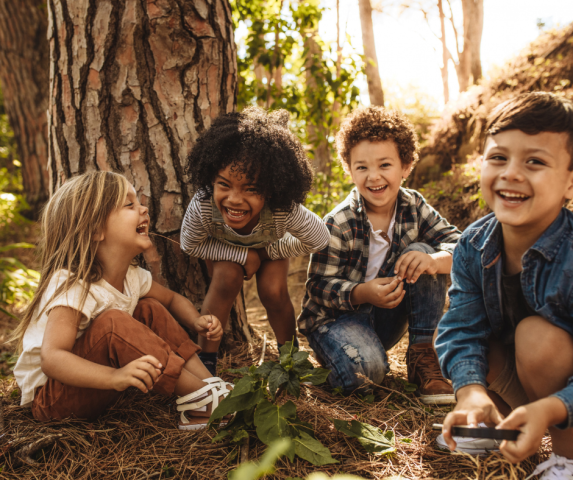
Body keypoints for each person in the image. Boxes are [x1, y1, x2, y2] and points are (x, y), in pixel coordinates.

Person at [12, 171, 231, 430]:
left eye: (138, 202)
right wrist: (115, 377)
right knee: (114, 322)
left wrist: (195, 320)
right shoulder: (73, 284)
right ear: (95, 229)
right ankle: (204, 401)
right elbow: (53, 358)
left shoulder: (133, 277)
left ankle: (208, 385)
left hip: (94, 384)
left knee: (149, 308)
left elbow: (171, 300)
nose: (144, 209)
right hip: (54, 399)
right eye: (129, 205)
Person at [435, 92, 573, 477]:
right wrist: (470, 392)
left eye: (535, 161)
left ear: (569, 184)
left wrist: (552, 408)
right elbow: (461, 327)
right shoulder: (473, 244)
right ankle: (499, 424)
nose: (511, 173)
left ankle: (565, 458)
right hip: (526, 378)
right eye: (499, 157)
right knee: (478, 347)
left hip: (560, 383)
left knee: (538, 338)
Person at [298, 106, 461, 404]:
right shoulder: (339, 222)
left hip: (386, 317)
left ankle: (423, 354)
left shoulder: (414, 206)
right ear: (349, 170)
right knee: (367, 374)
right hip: (336, 322)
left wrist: (435, 261)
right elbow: (318, 287)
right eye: (362, 167)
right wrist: (362, 293)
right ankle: (347, 360)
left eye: (385, 165)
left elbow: (463, 246)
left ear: (406, 166)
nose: (374, 177)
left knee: (422, 253)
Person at [180, 107, 330, 375]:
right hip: (225, 251)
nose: (235, 199)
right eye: (224, 184)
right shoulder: (203, 204)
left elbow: (319, 238)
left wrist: (269, 251)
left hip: (270, 248)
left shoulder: (283, 209)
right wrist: (242, 256)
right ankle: (205, 368)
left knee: (273, 291)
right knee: (226, 278)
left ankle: (290, 360)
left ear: (272, 190)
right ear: (211, 179)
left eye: (251, 189)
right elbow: (190, 244)